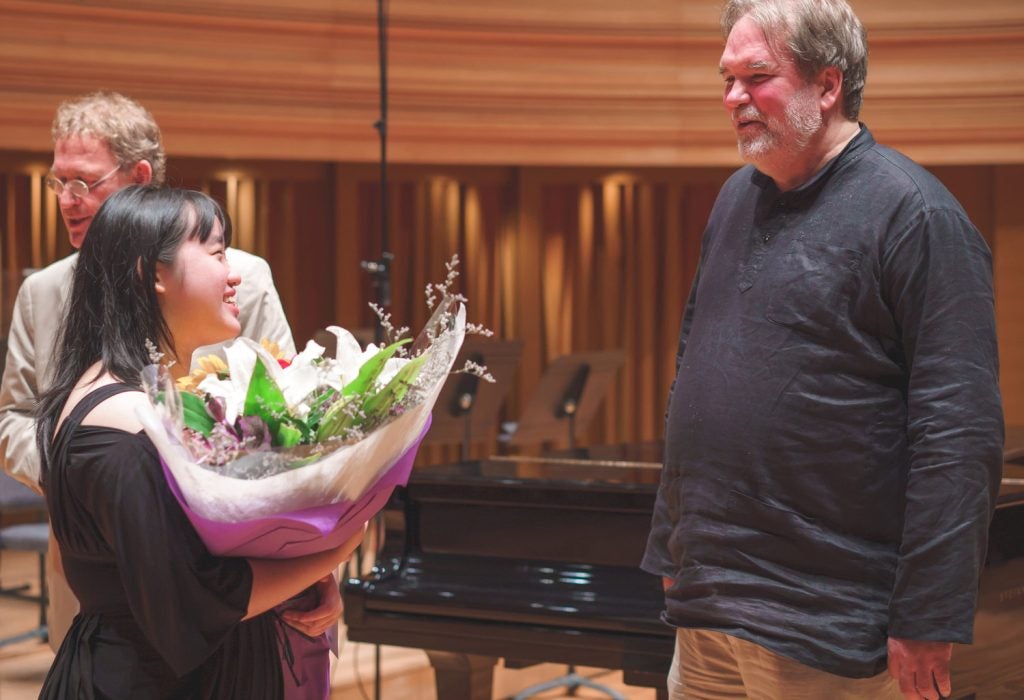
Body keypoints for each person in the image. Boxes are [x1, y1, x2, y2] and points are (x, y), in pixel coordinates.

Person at [642, 1, 1004, 699]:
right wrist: (672, 540)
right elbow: (694, 376)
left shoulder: (916, 215)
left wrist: (929, 611)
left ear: (828, 86)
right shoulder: (733, 201)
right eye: (727, 79)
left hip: (825, 621)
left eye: (757, 77)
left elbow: (958, 435)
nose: (734, 98)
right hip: (710, 603)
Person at [0, 91, 300, 649]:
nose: (67, 200)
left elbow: (283, 406)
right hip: (95, 562)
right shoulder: (42, 293)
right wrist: (92, 479)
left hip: (231, 557)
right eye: (58, 182)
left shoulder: (241, 278)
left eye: (83, 182)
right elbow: (13, 417)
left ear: (140, 175)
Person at [34, 185, 359, 698]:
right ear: (152, 273)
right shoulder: (119, 427)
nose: (234, 275)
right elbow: (189, 601)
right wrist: (337, 547)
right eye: (215, 252)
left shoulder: (152, 398)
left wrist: (304, 578)